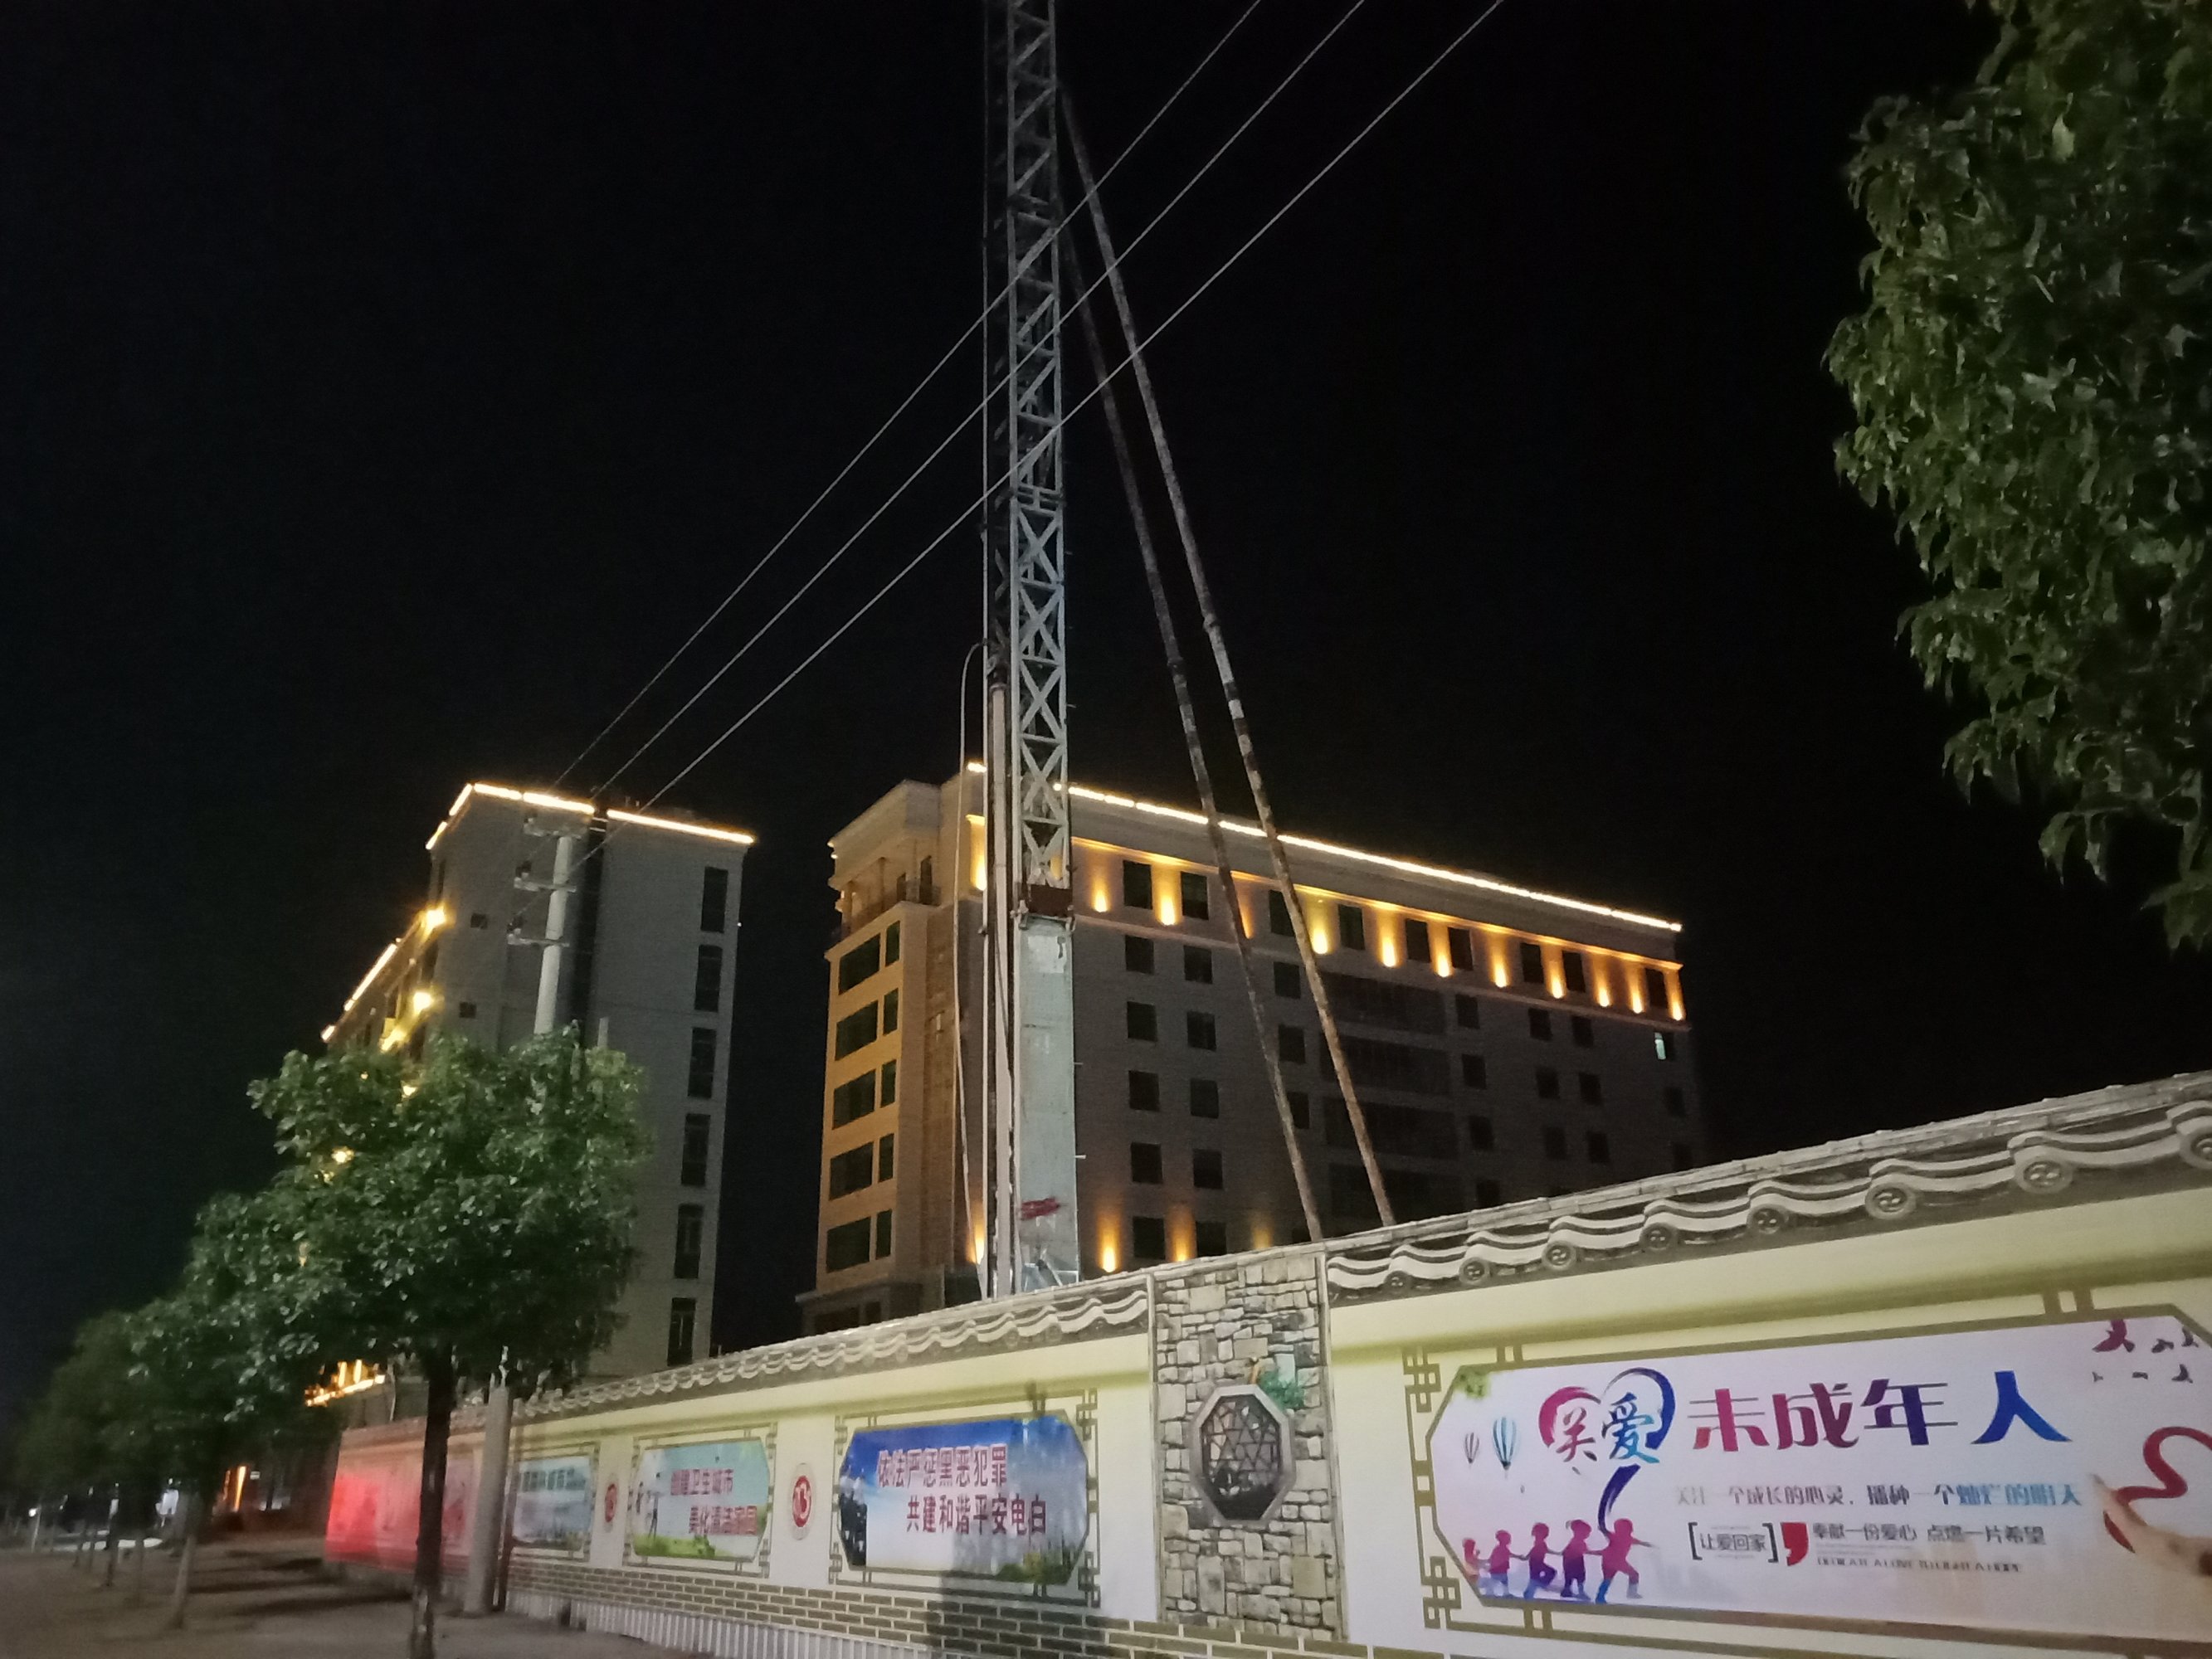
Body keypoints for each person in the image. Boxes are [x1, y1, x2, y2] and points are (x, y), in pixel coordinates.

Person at [1596, 1518, 1651, 1603]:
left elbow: (1640, 1542)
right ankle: (1600, 1597)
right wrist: (1602, 1527)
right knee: (1609, 1579)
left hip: (1617, 1561)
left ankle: (1631, 1593)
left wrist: (1647, 1544)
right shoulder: (1615, 1536)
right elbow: (1605, 1532)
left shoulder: (1627, 1538)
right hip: (1611, 1561)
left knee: (1632, 1575)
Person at [1560, 1520, 1593, 1599]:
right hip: (1576, 1561)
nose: (1588, 1535)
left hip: (1569, 1561)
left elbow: (1565, 1551)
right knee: (1580, 1577)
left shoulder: (1574, 1541)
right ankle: (1579, 1592)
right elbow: (1586, 1551)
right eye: (1587, 1533)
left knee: (1569, 1577)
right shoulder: (1579, 1542)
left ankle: (1567, 1590)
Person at [1522, 1522, 1557, 1598]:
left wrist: (1557, 1553)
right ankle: (1538, 1586)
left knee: (1534, 1578)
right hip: (1536, 1562)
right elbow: (1535, 1549)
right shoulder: (1540, 1542)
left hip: (1536, 1562)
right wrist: (1527, 1556)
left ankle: (1529, 1593)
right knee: (1550, 1572)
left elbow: (1545, 1550)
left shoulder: (1540, 1542)